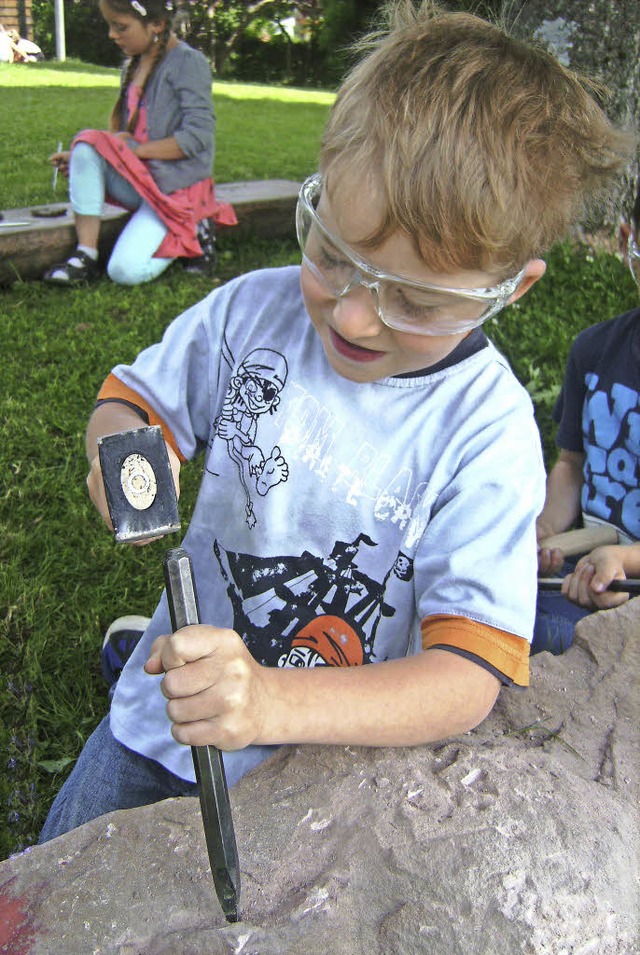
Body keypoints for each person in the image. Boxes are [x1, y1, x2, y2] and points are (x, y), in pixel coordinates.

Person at [38, 0, 632, 843]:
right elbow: (137, 404)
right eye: (331, 253)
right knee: (60, 881)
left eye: (418, 299)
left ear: (512, 289)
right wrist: (133, 463)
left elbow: (466, 675)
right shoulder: (253, 313)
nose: (354, 317)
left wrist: (270, 699)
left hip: (320, 775)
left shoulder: (487, 433)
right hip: (156, 715)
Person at [43, 0, 235, 287]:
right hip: (140, 180)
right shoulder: (132, 66)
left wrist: (132, 153)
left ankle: (193, 229)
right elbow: (125, 137)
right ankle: (85, 255)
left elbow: (198, 137)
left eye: (121, 27)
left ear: (156, 24)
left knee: (125, 272)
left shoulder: (187, 63)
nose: (111, 35)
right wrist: (92, 162)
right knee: (86, 148)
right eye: (110, 26)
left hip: (175, 189)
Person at [531, 180, 640, 655]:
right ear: (626, 241)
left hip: (625, 572)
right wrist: (548, 530)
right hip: (586, 562)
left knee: (548, 638)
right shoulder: (594, 349)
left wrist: (622, 559)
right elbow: (571, 464)